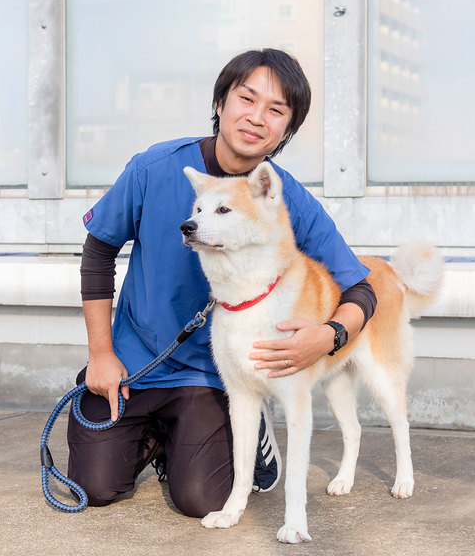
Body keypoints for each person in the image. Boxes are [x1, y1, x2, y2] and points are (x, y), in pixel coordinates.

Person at [69, 48, 377, 518]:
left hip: (215, 375)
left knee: (201, 501)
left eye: (276, 110)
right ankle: (162, 438)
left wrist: (329, 336)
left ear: (287, 130)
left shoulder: (282, 196)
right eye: (246, 99)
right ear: (220, 102)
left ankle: (239, 431)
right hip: (135, 363)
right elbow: (98, 251)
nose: (256, 117)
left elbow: (360, 290)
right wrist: (100, 354)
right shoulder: (155, 168)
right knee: (93, 487)